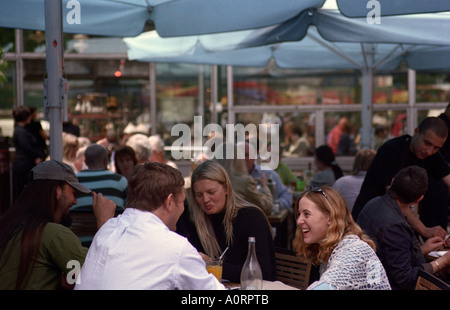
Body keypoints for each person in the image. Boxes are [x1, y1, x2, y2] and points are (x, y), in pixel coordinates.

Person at [75, 162, 225, 290]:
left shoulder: (107, 229)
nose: (183, 208)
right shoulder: (176, 247)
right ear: (169, 202)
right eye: (182, 202)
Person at [0, 160, 116, 289]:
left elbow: (74, 275)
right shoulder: (54, 234)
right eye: (73, 193)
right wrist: (104, 224)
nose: (75, 201)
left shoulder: (7, 225)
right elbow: (99, 278)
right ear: (57, 191)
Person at [352, 117, 450, 239]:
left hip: (396, 222)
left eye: (436, 148)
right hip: (371, 223)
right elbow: (396, 200)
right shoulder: (391, 150)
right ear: (416, 132)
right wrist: (424, 230)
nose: (429, 151)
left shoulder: (431, 155)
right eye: (427, 143)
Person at [357, 166, 450, 290]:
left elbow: (389, 256)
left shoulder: (373, 203)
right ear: (419, 199)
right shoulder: (394, 226)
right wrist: (443, 261)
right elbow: (405, 278)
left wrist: (421, 250)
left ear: (392, 181)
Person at [186, 160, 277, 283]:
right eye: (199, 195)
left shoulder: (250, 217)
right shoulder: (196, 222)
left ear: (226, 189)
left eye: (211, 192)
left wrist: (212, 265)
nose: (205, 199)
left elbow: (263, 273)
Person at [293, 186, 391, 290]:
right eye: (299, 215)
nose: (299, 221)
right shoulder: (330, 248)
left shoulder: (354, 250)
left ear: (330, 217)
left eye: (306, 214)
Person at [217, 142, 273, 216]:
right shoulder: (245, 181)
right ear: (238, 159)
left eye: (247, 155)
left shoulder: (212, 180)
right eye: (243, 156)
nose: (244, 159)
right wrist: (265, 186)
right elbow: (267, 208)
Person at [71, 144, 128, 212]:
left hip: (78, 222)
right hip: (111, 222)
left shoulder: (73, 180)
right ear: (105, 161)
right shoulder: (120, 181)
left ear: (85, 162)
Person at [242, 142, 293, 211]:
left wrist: (275, 206)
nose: (243, 159)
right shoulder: (228, 176)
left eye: (247, 155)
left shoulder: (269, 174)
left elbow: (287, 194)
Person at [12, 106, 46, 200]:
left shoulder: (21, 130)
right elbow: (27, 147)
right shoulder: (21, 131)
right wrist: (38, 155)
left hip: (25, 163)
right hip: (24, 164)